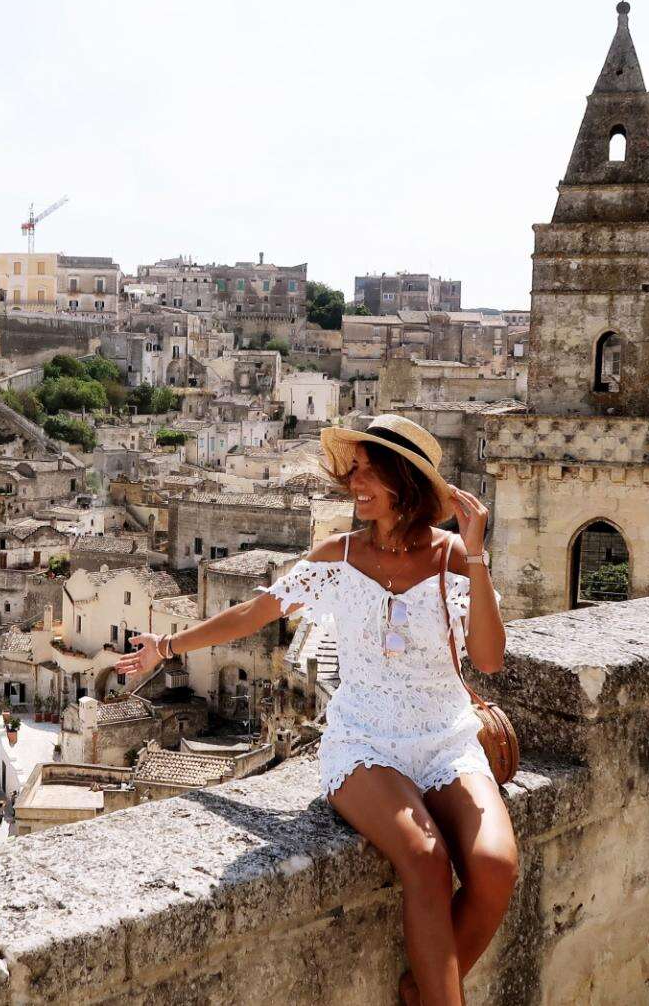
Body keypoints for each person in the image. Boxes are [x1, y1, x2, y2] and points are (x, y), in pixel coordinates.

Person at [116, 415, 518, 1006]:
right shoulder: (338, 556)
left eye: (369, 473)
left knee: (496, 868)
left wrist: (477, 555)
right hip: (365, 744)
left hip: (447, 741)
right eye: (353, 471)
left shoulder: (453, 557)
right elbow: (253, 613)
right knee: (426, 859)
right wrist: (168, 646)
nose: (354, 484)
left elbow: (488, 658)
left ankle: (422, 990)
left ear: (405, 482)